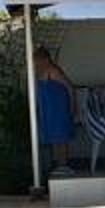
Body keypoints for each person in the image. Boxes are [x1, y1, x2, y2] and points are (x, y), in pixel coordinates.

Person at [33, 48, 76, 182]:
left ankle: (64, 165)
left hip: (58, 107)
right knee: (53, 136)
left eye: (37, 59)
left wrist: (73, 105)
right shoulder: (39, 72)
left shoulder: (53, 70)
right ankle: (58, 164)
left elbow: (69, 87)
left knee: (61, 136)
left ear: (45, 59)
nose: (36, 62)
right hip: (49, 108)